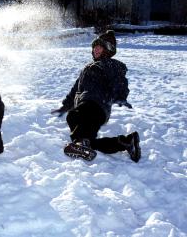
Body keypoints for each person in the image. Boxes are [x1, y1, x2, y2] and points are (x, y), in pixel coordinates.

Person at [51, 30, 141, 162]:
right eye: (94, 47)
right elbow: (75, 89)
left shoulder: (111, 65)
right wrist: (65, 105)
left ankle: (81, 143)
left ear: (108, 50)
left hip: (98, 105)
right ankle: (126, 142)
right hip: (84, 104)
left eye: (100, 47)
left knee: (82, 114)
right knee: (73, 117)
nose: (96, 50)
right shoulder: (87, 68)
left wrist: (121, 95)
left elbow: (120, 82)